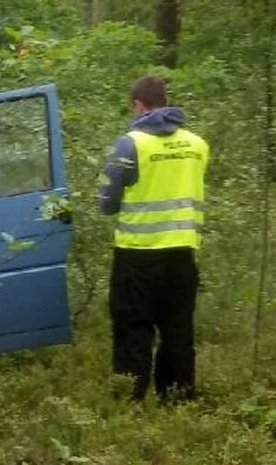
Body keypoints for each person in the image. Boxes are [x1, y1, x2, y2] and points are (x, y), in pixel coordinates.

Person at [99, 75, 209, 402]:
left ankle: (128, 400)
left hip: (137, 255)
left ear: (138, 105)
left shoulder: (129, 144)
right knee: (178, 331)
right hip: (182, 254)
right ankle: (176, 398)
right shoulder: (197, 144)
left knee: (133, 328)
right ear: (166, 100)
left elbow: (106, 203)